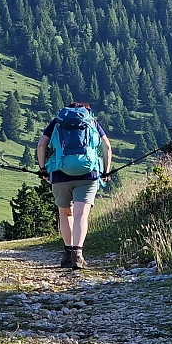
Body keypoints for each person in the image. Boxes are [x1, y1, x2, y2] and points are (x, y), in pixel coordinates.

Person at [37, 102, 112, 269]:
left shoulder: (57, 122)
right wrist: (105, 171)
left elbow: (42, 144)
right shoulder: (91, 121)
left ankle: (67, 254)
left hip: (60, 173)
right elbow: (106, 146)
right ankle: (78, 255)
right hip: (88, 174)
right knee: (81, 215)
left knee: (65, 214)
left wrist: (43, 169)